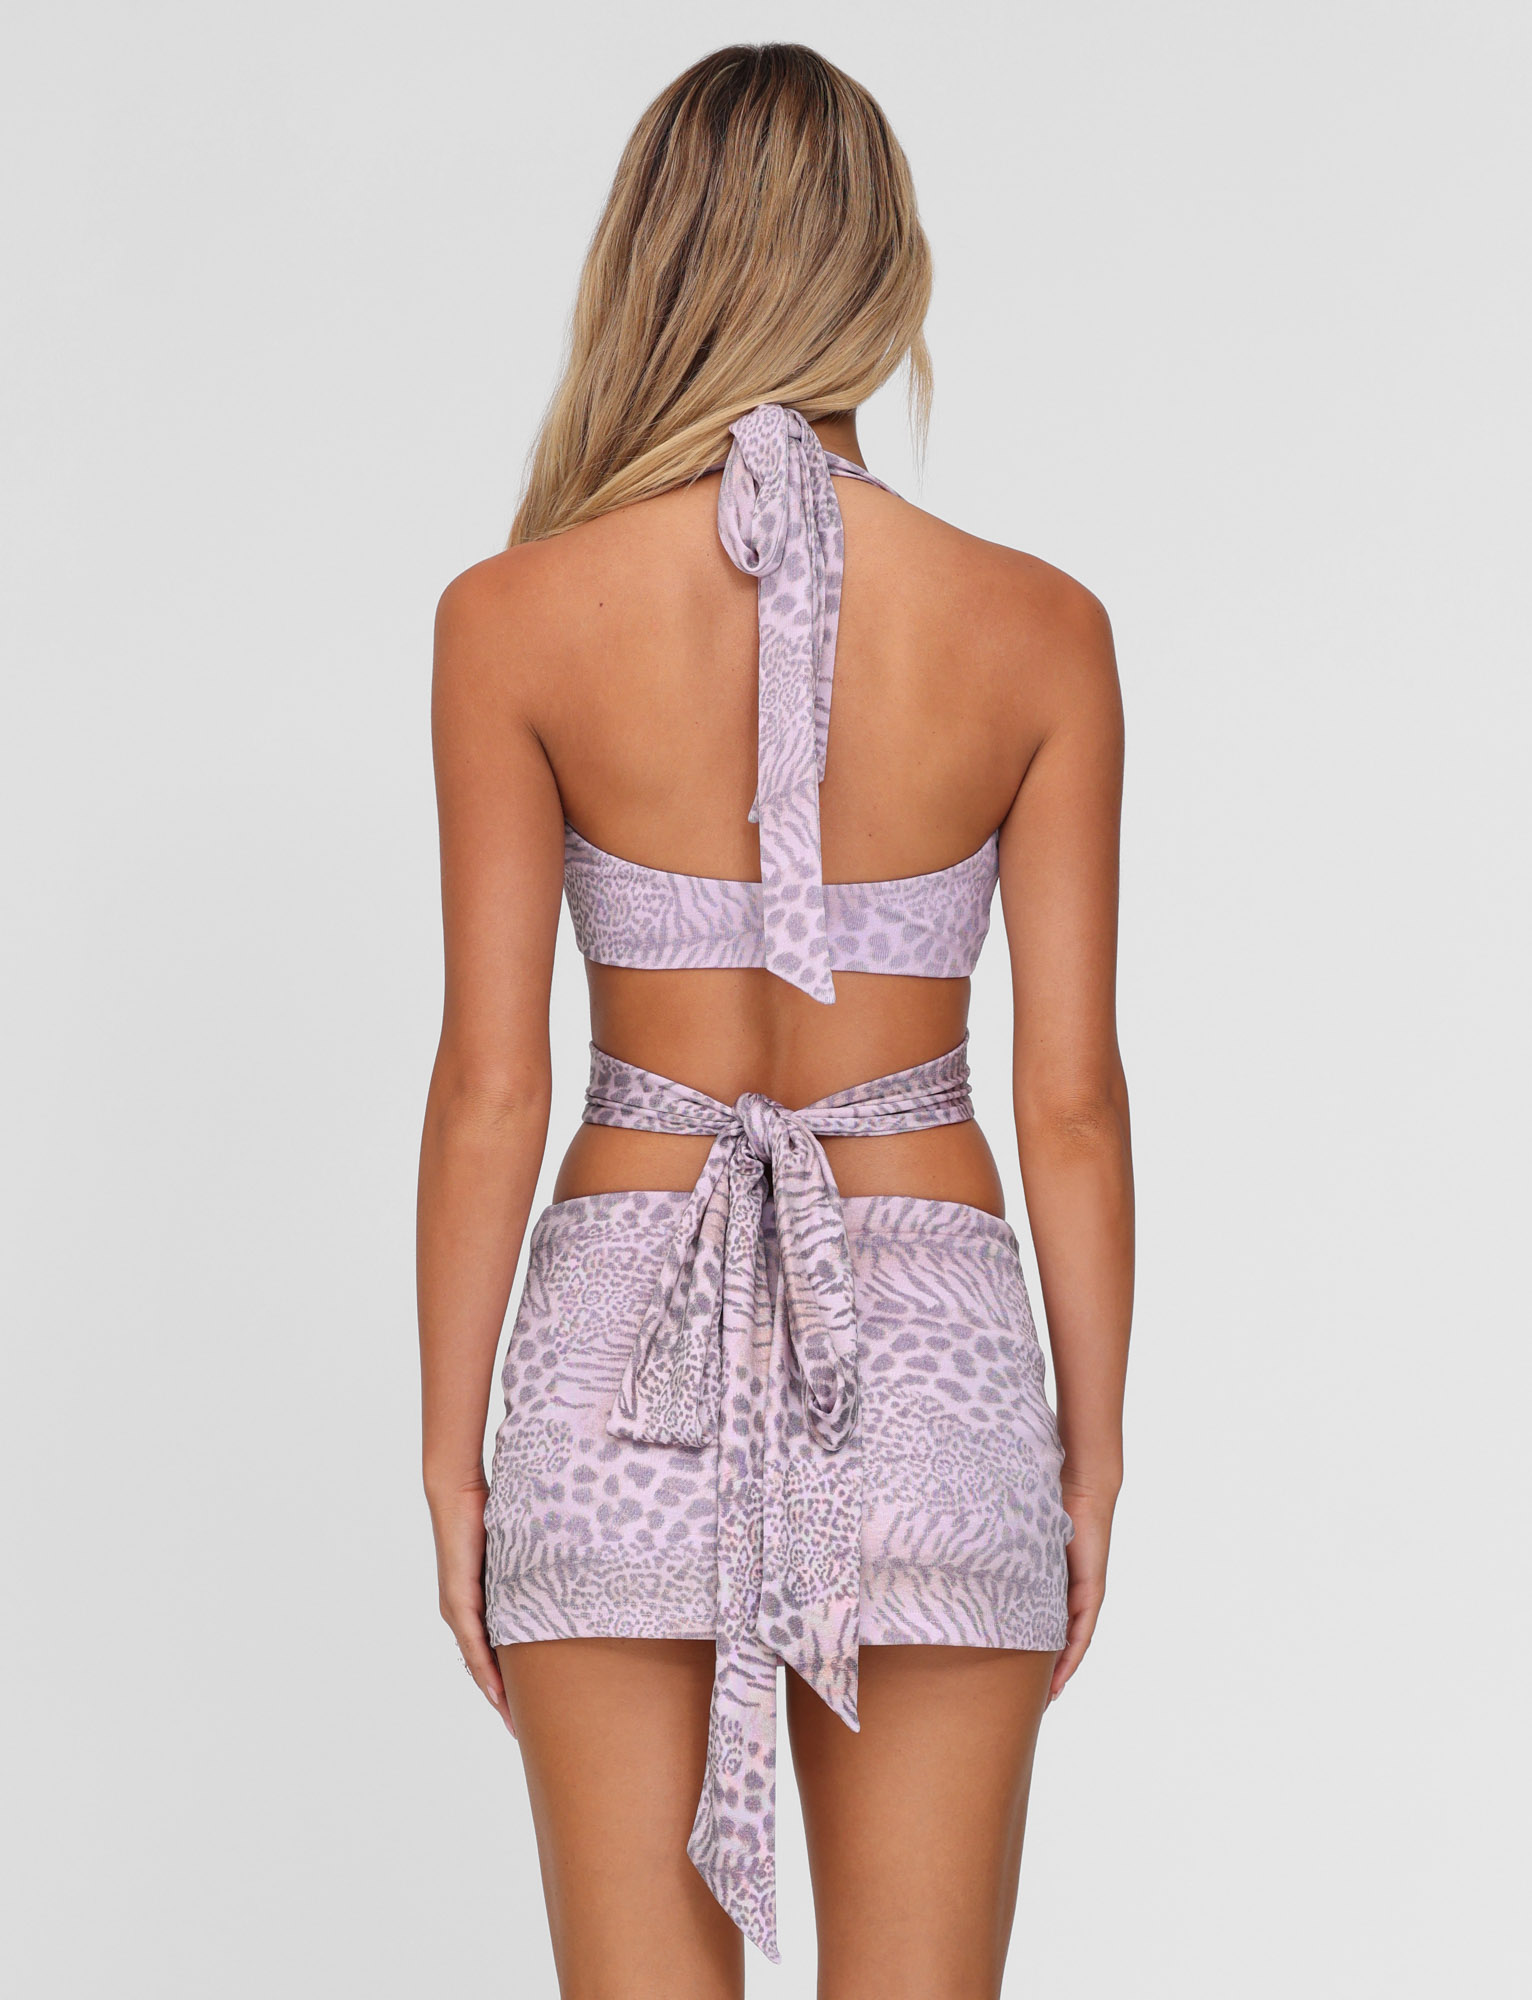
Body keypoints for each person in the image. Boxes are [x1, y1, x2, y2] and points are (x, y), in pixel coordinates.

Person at [418, 41, 1132, 2000]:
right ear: (883, 273)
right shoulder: (1040, 629)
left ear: (647, 263)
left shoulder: (508, 618)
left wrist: (453, 1455)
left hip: (611, 1363)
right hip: (935, 1364)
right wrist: (1089, 1452)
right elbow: (1070, 1101)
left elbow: (492, 1087)